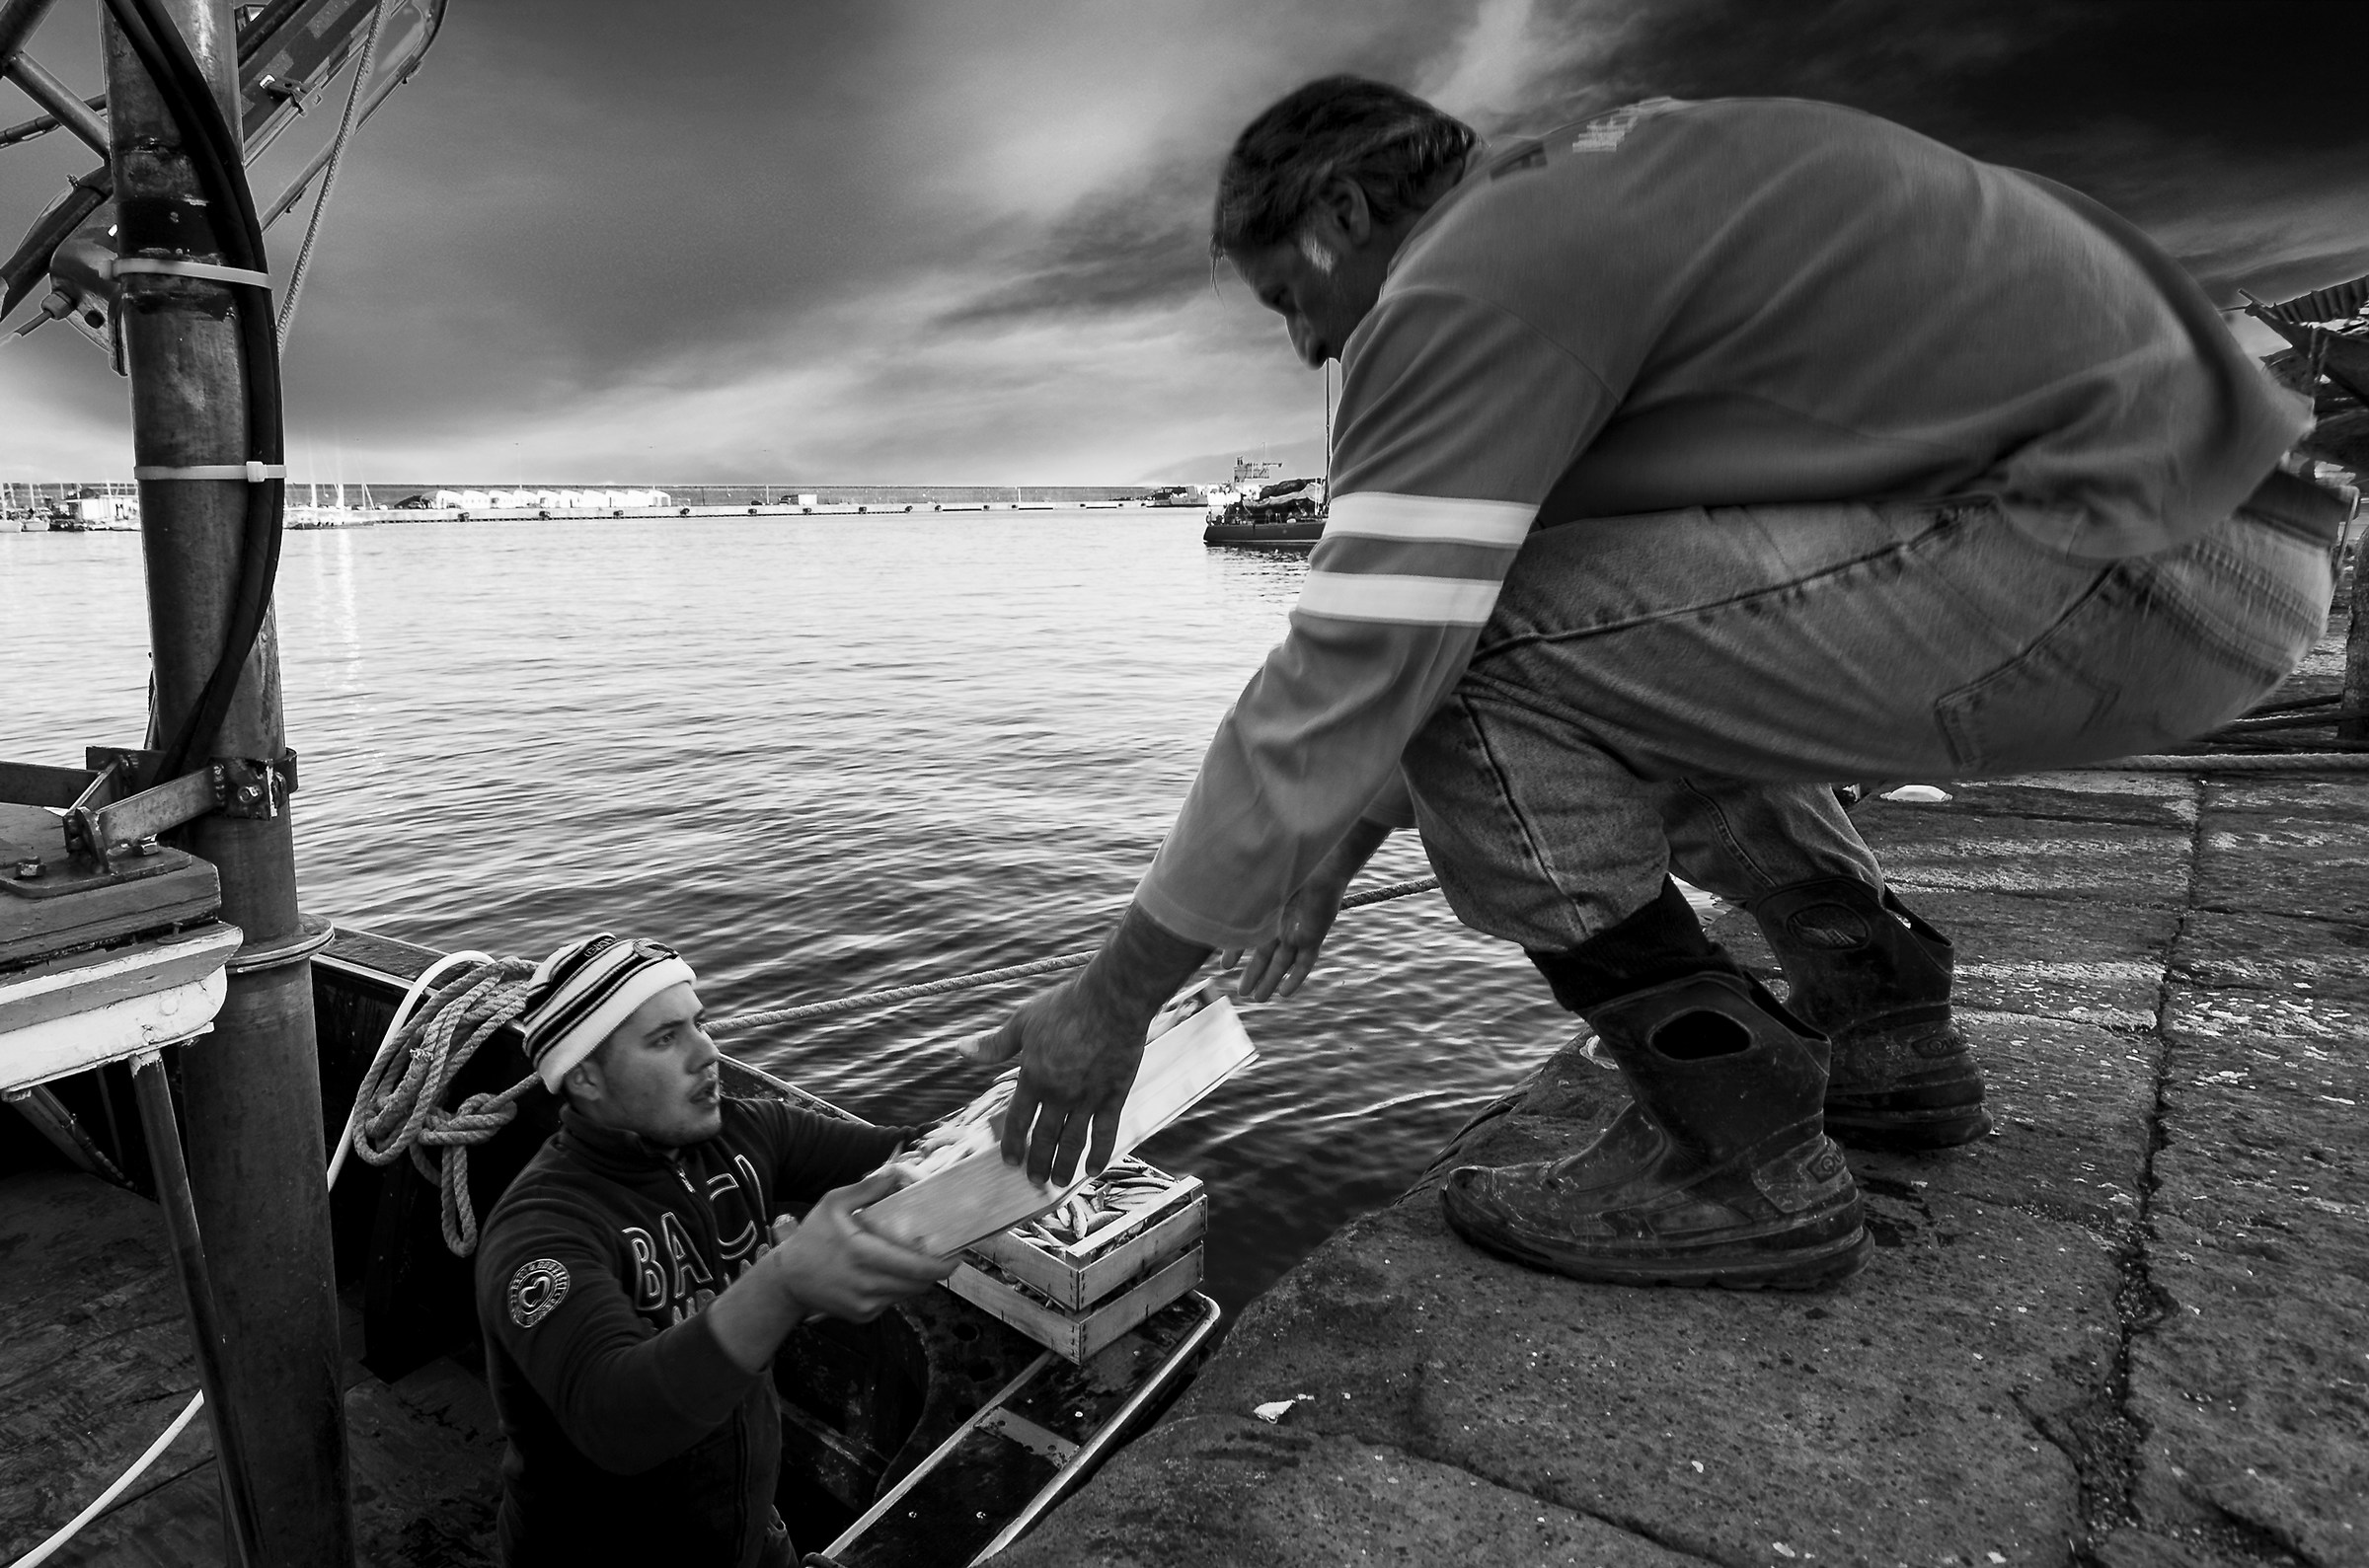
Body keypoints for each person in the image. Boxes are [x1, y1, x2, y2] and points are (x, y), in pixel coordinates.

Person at [977, 79, 2342, 1290]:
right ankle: (1879, 1028)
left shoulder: (1466, 274)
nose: (1308, 348)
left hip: (2103, 560)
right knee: (1583, 650)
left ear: (1342, 205)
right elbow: (1626, 641)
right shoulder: (1618, 197)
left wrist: (1113, 999)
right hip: (2231, 555)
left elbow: (1366, 668)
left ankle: (1734, 1152)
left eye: (1292, 297)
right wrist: (1331, 851)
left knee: (1471, 666)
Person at [475, 933, 954, 1567]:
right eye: (666, 1038)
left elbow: (906, 1155)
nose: (709, 1053)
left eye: (699, 1024)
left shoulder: (745, 1132)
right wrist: (780, 1288)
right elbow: (613, 1415)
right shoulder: (541, 1231)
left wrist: (1019, 1111)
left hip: (749, 1538)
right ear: (585, 1077)